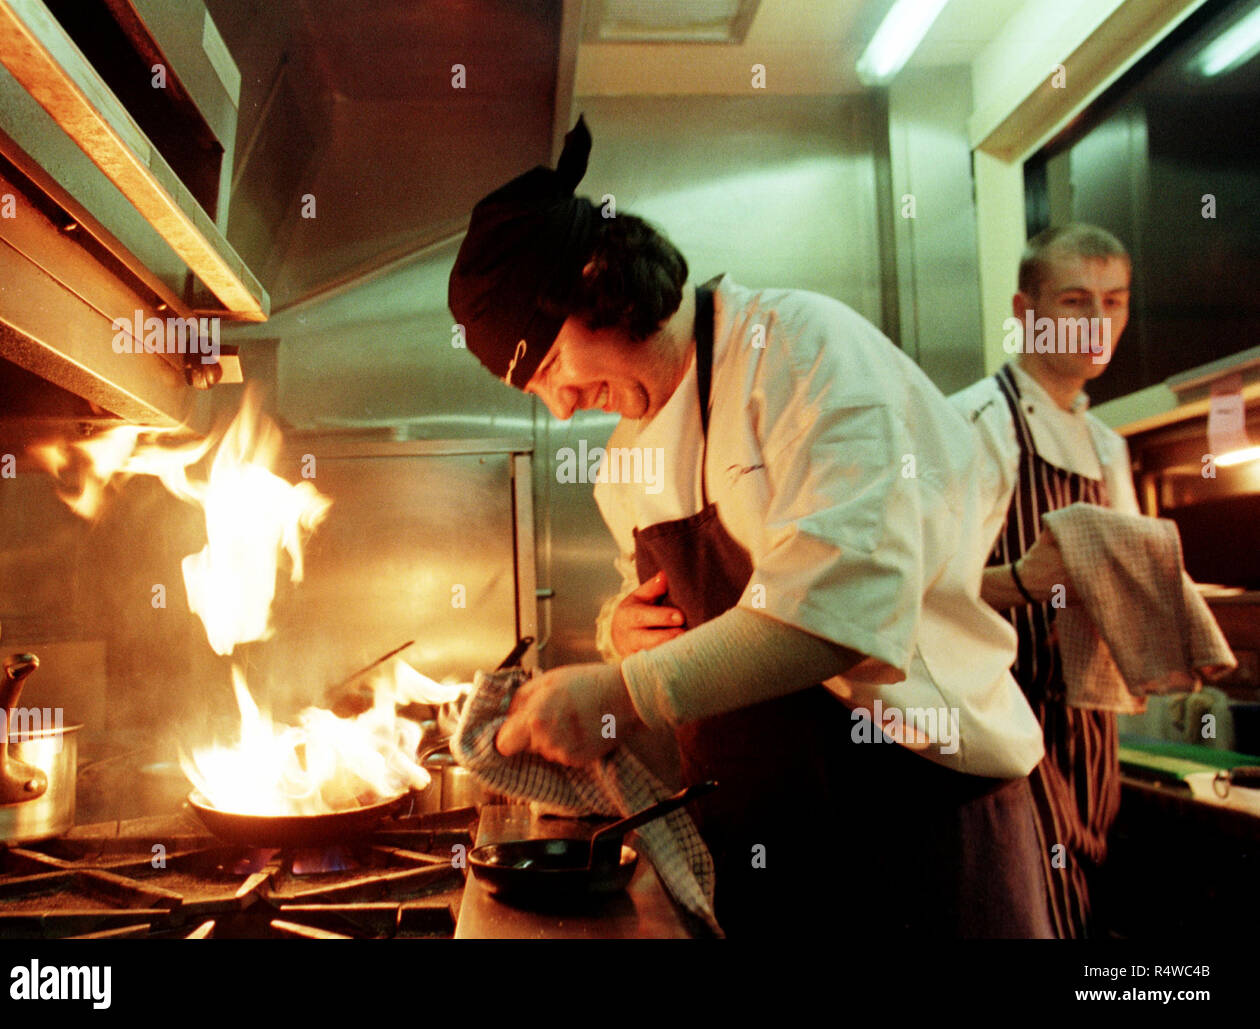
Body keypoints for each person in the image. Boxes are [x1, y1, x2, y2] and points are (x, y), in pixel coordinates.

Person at [448, 116, 1052, 937]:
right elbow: (658, 612)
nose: (558, 403)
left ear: (599, 284)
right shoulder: (623, 460)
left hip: (917, 823)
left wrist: (623, 692)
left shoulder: (798, 352)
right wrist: (619, 632)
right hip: (766, 847)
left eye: (552, 364)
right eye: (535, 389)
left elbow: (842, 610)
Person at [949, 223, 1137, 939]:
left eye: (1115, 302)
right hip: (1005, 750)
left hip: (1093, 750)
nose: (1099, 324)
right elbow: (919, 601)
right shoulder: (974, 425)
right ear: (1026, 313)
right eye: (1076, 302)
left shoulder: (1108, 447)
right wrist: (1025, 579)